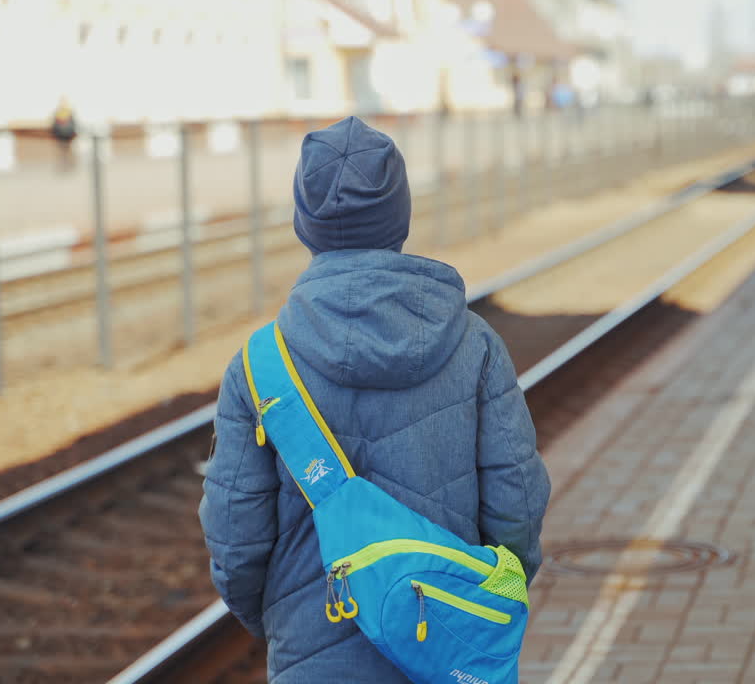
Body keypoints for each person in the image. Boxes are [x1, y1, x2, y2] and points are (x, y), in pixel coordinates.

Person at [199, 116, 551, 683]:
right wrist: (477, 605)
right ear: (400, 215)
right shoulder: (475, 345)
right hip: (445, 652)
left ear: (304, 223)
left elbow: (235, 541)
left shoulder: (259, 366)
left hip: (310, 658)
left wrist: (287, 621)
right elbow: (516, 508)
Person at [50, 97, 77, 171]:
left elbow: (73, 123)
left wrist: (73, 133)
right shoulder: (57, 113)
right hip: (60, 135)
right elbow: (54, 125)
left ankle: (70, 164)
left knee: (68, 150)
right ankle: (63, 164)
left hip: (68, 135)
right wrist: (55, 133)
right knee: (61, 151)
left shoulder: (69, 112)